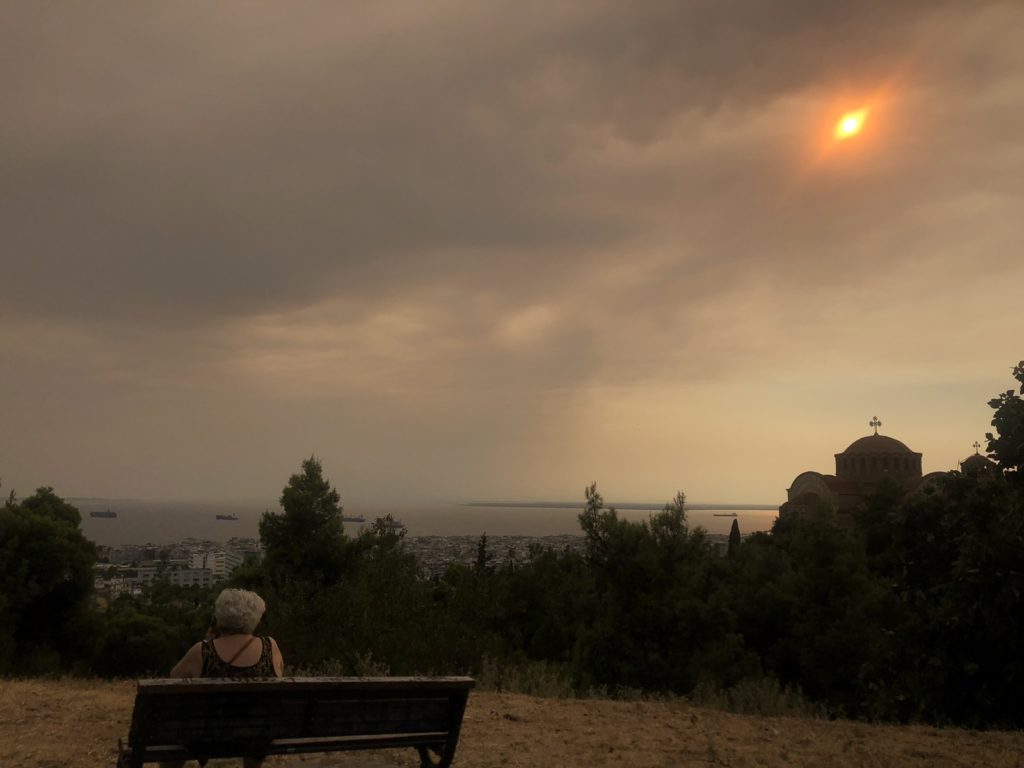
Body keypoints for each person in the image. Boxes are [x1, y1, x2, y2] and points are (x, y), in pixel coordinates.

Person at [164, 588, 284, 768]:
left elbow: (173, 678)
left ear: (219, 617)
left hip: (208, 739)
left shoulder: (202, 651)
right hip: (257, 737)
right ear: (255, 618)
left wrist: (207, 641)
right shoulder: (270, 647)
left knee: (173, 736)